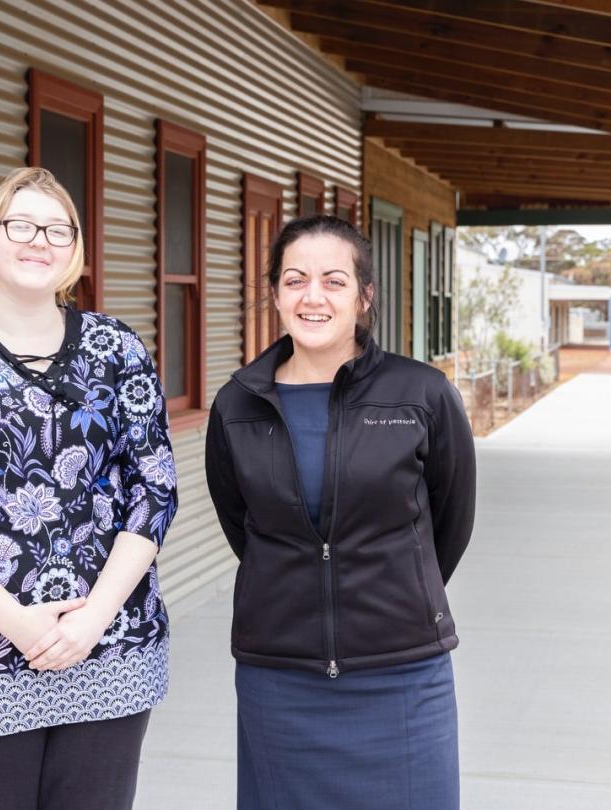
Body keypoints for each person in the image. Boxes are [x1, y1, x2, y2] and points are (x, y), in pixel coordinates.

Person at [0, 167, 177, 810]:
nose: (37, 240)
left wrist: (93, 618)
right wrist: (19, 624)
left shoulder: (117, 347)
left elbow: (154, 489)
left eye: (55, 228)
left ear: (74, 248)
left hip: (109, 640)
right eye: (20, 224)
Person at [205, 214, 476, 809]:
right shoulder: (238, 404)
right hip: (280, 673)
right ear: (275, 293)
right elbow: (243, 525)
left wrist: (395, 588)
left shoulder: (421, 394)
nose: (313, 297)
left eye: (333, 280)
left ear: (364, 296)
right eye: (295, 280)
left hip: (401, 669)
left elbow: (449, 520)